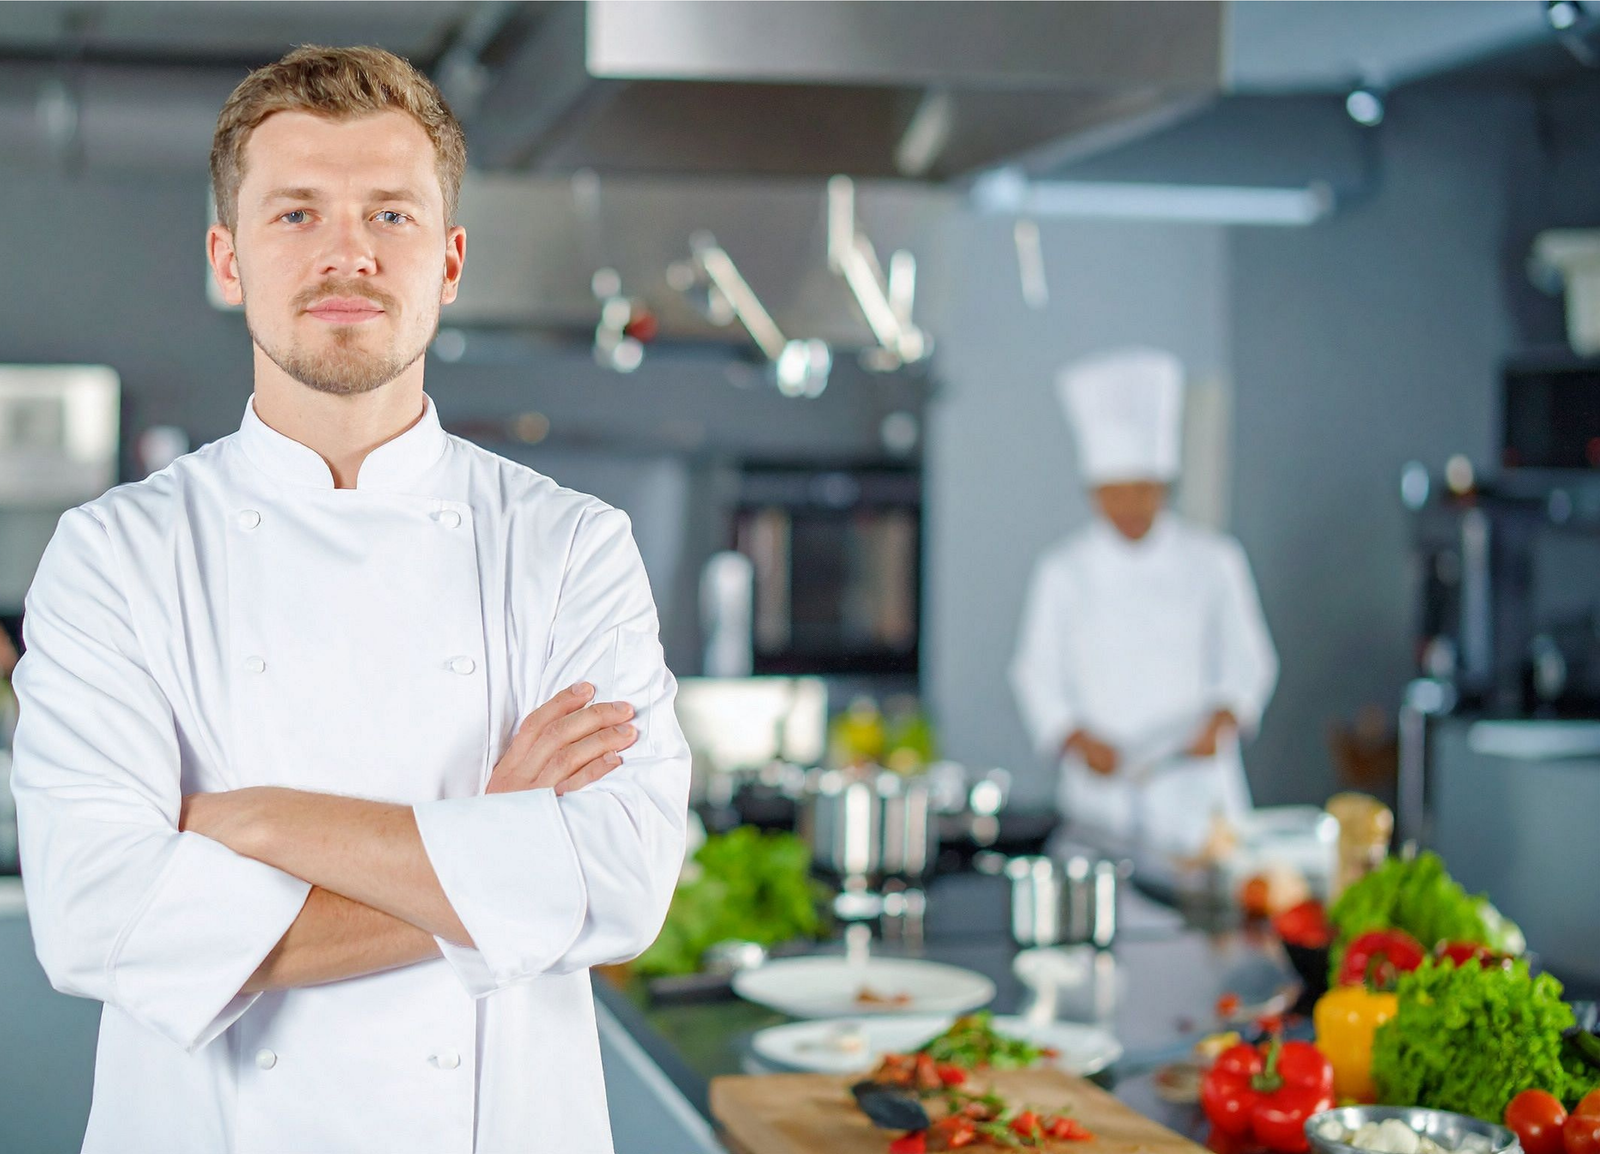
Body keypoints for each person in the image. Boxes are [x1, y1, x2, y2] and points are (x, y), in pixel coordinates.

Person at [9, 45, 689, 1154]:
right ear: (227, 258)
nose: (347, 254)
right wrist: (495, 848)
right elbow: (97, 921)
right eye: (295, 214)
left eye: (390, 213)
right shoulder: (113, 555)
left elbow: (616, 883)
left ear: (451, 259)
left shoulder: (568, 546)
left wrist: (261, 820)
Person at [1009, 347, 1277, 875]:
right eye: (1114, 493)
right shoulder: (1063, 570)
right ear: (1093, 493)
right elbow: (1033, 673)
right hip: (1100, 800)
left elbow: (1251, 661)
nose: (1129, 507)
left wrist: (1223, 719)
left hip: (1196, 799)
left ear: (1164, 487)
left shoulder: (1215, 561)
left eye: (1142, 491)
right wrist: (1077, 738)